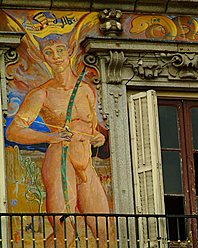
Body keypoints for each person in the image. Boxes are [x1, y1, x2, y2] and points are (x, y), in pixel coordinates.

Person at [6, 34, 110, 247]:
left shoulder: (87, 90)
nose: (56, 56)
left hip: (86, 163)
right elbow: (13, 131)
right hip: (60, 161)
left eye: (60, 50)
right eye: (49, 52)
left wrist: (97, 137)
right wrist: (50, 137)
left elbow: (92, 129)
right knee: (66, 232)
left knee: (104, 230)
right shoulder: (41, 94)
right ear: (43, 57)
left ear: (70, 51)